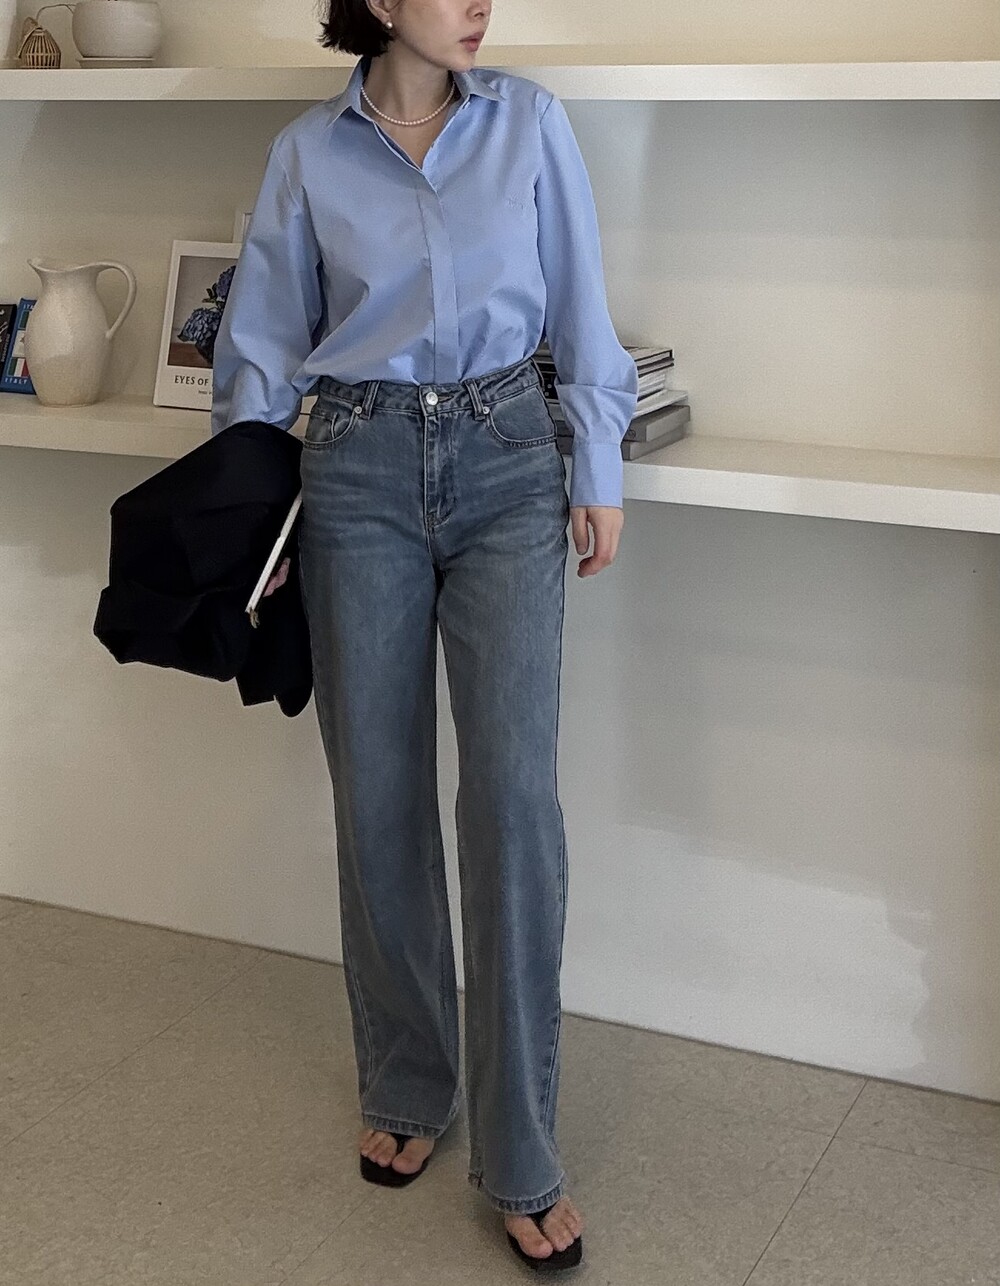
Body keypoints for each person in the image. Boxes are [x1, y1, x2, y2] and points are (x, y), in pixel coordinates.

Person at [210, 0, 638, 1270]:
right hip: (355, 468)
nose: (477, 5)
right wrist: (249, 522)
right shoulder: (306, 154)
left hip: (509, 457)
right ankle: (408, 1077)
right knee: (379, 795)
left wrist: (597, 464)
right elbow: (260, 347)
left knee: (510, 801)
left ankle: (523, 1146)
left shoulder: (530, 125)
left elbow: (582, 305)